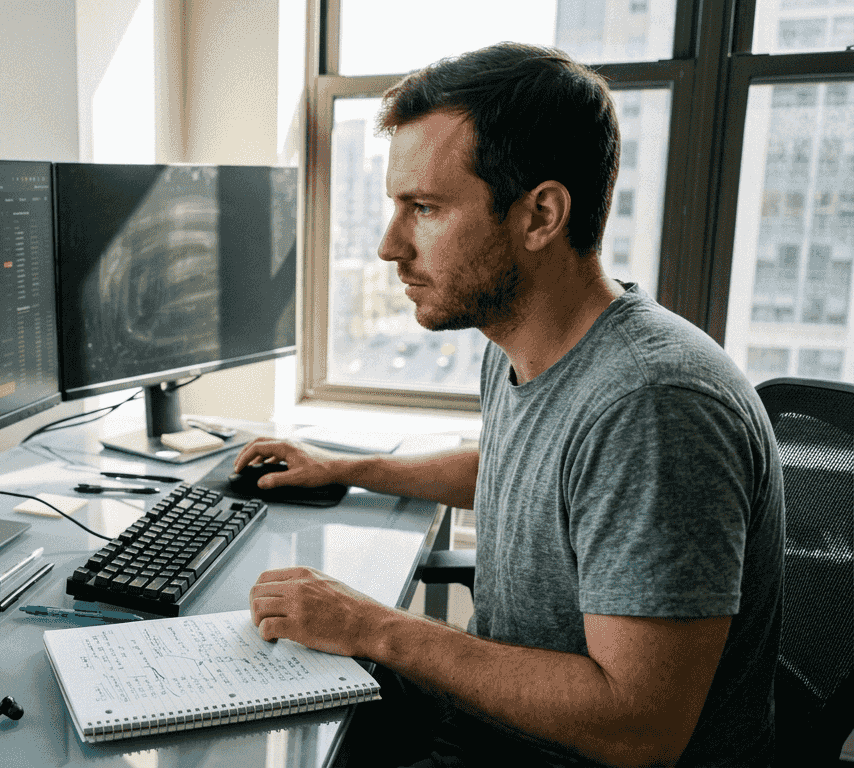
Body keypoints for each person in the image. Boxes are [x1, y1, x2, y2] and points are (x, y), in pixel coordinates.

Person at [239, 42, 784, 768]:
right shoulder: (527, 347)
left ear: (540, 216)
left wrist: (373, 627)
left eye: (424, 208)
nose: (388, 246)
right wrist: (342, 466)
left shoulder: (654, 405)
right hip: (490, 732)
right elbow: (514, 471)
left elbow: (638, 728)